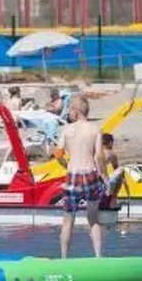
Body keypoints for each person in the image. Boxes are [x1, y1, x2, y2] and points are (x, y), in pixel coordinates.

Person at [59, 99, 107, 260]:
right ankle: (98, 256)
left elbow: (58, 154)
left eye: (70, 110)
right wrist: (105, 175)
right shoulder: (95, 129)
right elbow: (99, 155)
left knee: (68, 220)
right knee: (93, 218)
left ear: (76, 111)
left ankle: (64, 259)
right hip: (91, 173)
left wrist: (65, 164)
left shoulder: (66, 129)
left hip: (73, 174)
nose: (69, 113)